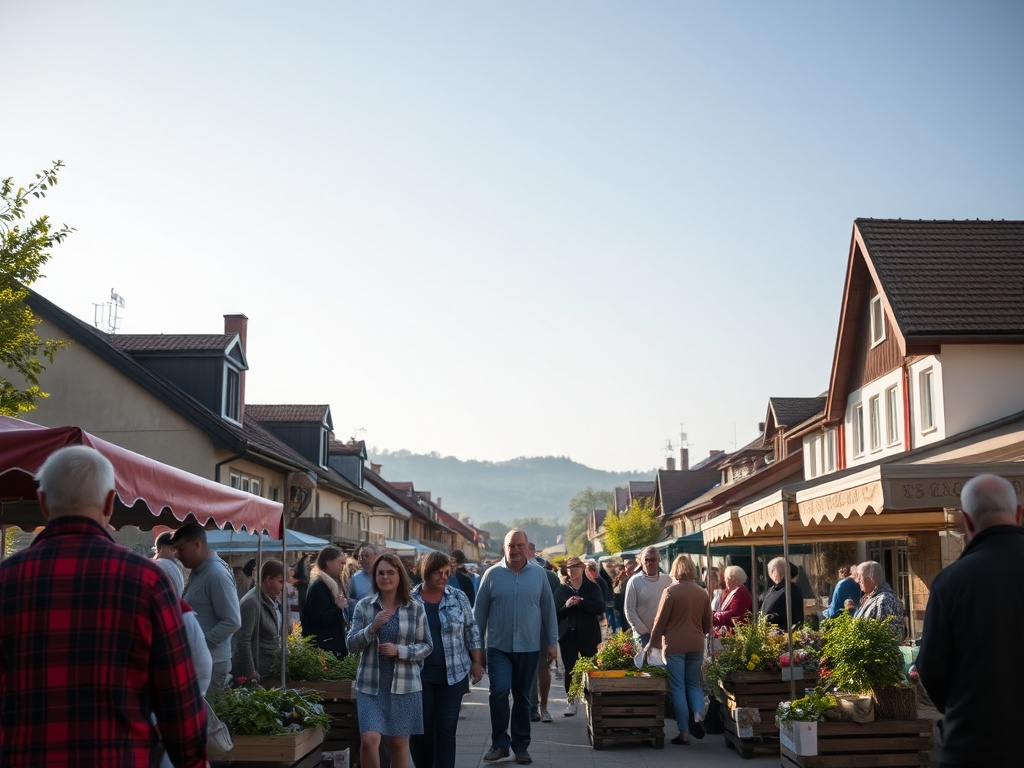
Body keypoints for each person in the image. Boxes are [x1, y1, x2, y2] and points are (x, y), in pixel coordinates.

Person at [0, 446, 207, 767]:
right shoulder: (148, 582)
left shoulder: (6, 581)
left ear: (42, 502)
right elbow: (178, 700)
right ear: (111, 502)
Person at [918, 474, 1024, 768]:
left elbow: (931, 669)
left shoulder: (950, 582)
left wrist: (964, 708)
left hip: (974, 746)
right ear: (1019, 514)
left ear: (966, 520)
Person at [474, 529, 558, 766]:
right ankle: (499, 744)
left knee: (522, 697)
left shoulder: (539, 575)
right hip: (498, 648)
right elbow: (478, 616)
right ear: (504, 548)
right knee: (499, 692)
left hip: (529, 647)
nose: (516, 550)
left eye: (520, 545)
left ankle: (521, 746)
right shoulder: (491, 575)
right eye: (511, 545)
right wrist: (476, 651)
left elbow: (548, 610)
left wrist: (552, 642)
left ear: (527, 546)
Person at [348, 552, 432, 768]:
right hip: (370, 685)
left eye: (390, 573)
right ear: (374, 577)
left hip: (404, 686)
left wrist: (400, 651)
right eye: (380, 573)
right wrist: (372, 627)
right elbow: (351, 645)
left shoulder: (415, 608)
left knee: (397, 744)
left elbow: (427, 646)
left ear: (399, 576)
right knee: (369, 740)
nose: (385, 577)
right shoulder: (364, 607)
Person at [410, 551, 484, 768]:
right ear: (426, 573)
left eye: (446, 572)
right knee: (421, 730)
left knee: (446, 729)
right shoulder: (410, 600)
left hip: (454, 674)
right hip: (419, 675)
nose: (444, 577)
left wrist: (476, 661)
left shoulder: (457, 597)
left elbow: (471, 630)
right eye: (438, 573)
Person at [647, 555, 712, 746]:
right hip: (696, 644)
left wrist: (652, 643)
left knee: (678, 687)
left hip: (675, 645)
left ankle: (683, 733)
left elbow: (660, 622)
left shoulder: (670, 592)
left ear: (675, 570)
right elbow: (708, 624)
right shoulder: (702, 593)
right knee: (694, 684)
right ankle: (698, 713)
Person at [170, 521, 242, 693]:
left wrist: (200, 642)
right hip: (201, 662)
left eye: (181, 549)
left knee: (209, 718)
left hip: (213, 664)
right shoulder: (199, 570)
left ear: (197, 545)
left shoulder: (216, 574)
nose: (177, 555)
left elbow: (232, 621)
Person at [554, 557, 604, 716]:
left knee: (590, 666)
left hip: (589, 633)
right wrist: (567, 605)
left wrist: (581, 602)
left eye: (575, 567)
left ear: (582, 568)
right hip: (567, 634)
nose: (572, 571)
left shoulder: (592, 587)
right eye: (568, 568)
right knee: (570, 668)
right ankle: (571, 702)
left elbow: (599, 608)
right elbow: (555, 614)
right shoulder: (562, 589)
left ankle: (592, 698)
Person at [234, 559, 285, 683]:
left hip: (266, 671)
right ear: (268, 580)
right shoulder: (252, 602)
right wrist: (251, 672)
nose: (283, 587)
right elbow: (243, 640)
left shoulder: (269, 600)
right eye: (280, 581)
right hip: (255, 674)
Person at [526, 541, 559, 723]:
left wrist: (553, 638)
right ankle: (532, 707)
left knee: (544, 668)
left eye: (522, 547)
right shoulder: (515, 575)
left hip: (544, 630)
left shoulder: (550, 577)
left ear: (531, 550)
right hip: (525, 631)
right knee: (530, 669)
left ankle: (544, 706)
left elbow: (554, 608)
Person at [302, 545, 349, 657]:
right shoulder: (319, 586)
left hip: (331, 645)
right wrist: (338, 607)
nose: (343, 567)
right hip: (324, 648)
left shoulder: (331, 584)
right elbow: (320, 619)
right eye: (340, 563)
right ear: (328, 563)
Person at [624, 546, 672, 645]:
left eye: (653, 560)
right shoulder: (634, 581)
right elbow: (629, 609)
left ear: (658, 561)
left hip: (664, 634)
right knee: (646, 660)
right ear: (641, 561)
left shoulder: (667, 580)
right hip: (643, 636)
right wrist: (643, 631)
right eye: (647, 560)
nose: (650, 563)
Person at [854, 560, 905, 640]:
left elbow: (888, 635)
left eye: (860, 577)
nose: (858, 581)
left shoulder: (885, 600)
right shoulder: (869, 597)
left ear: (871, 578)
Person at [760, 557, 804, 630]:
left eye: (772, 571)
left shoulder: (791, 590)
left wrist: (768, 618)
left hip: (784, 632)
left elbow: (787, 614)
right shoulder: (773, 588)